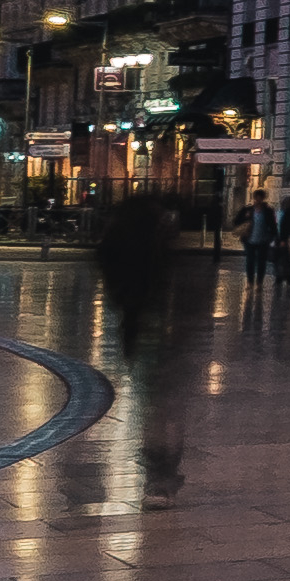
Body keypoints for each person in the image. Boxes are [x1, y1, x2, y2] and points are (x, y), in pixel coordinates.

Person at [89, 183, 193, 495]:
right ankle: (162, 473)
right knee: (167, 403)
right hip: (165, 332)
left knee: (153, 402)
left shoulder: (120, 246)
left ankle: (158, 469)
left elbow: (111, 278)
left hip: (138, 330)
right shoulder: (162, 247)